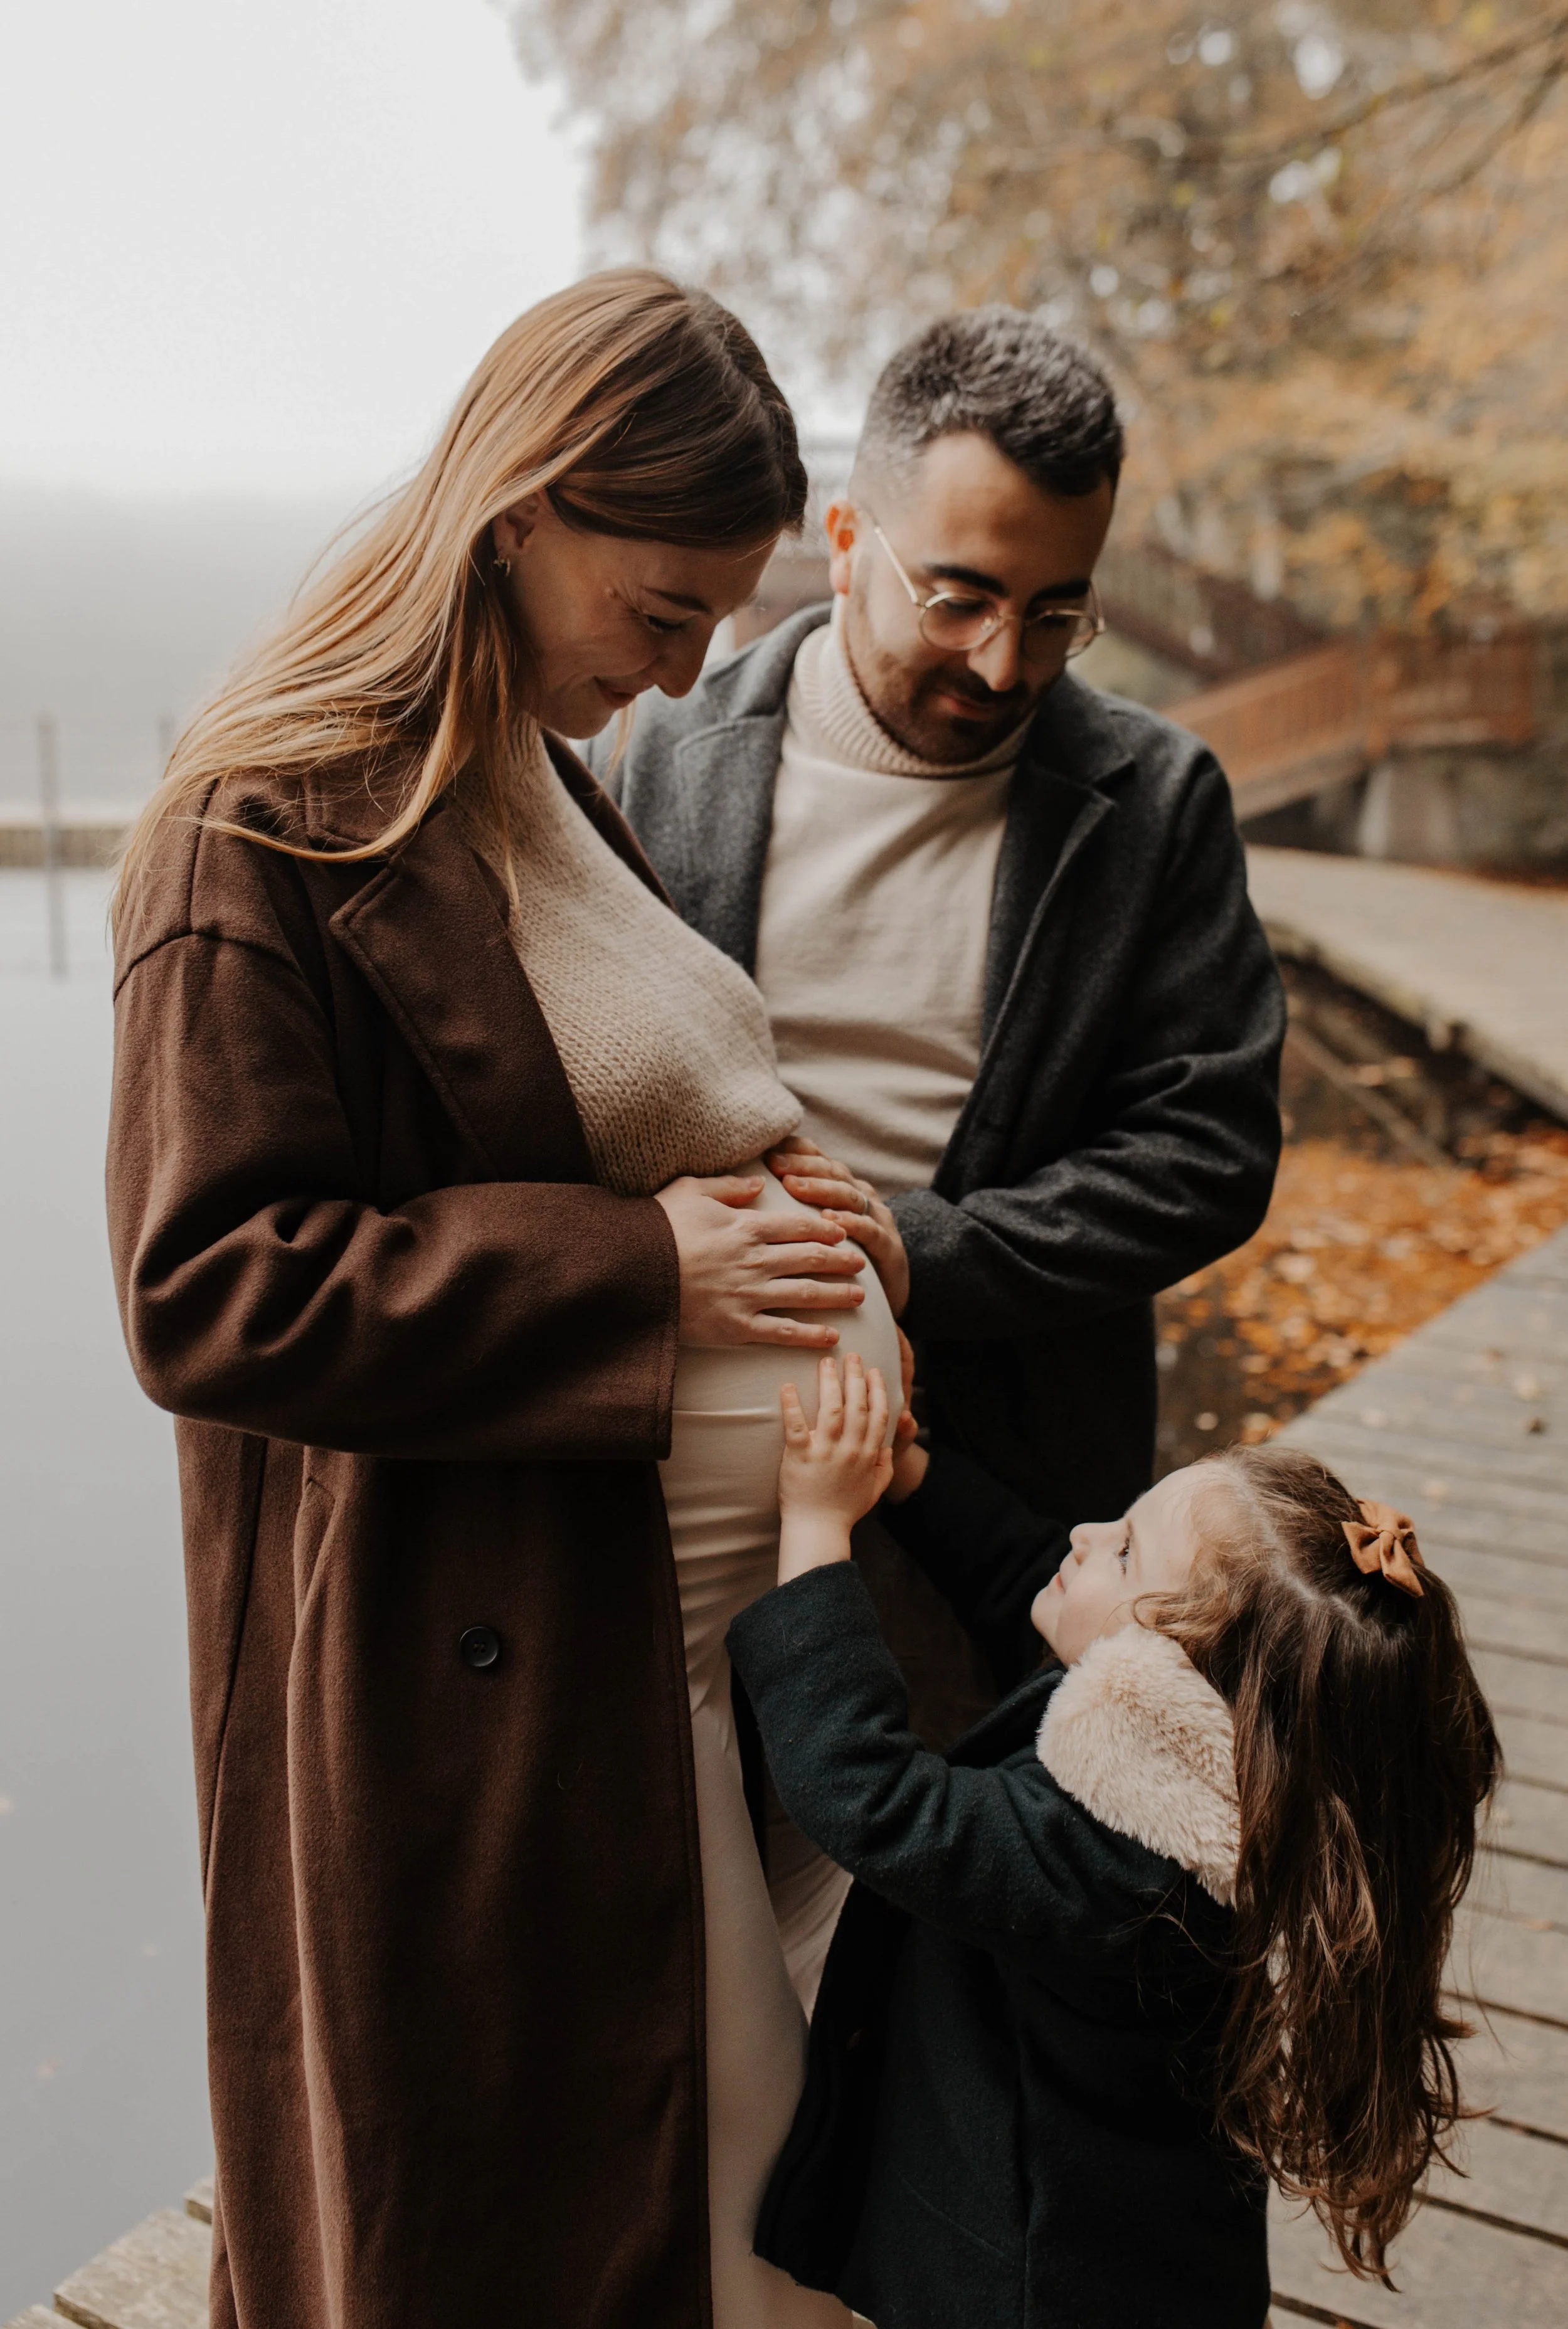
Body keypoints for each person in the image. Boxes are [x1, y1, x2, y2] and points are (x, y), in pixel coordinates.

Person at [106, 270, 902, 2329]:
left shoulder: (539, 769)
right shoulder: (253, 831)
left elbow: (605, 1085)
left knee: (748, 2194)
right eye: (663, 609)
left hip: (685, 1643)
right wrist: (649, 1265)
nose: (687, 667)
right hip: (489, 1656)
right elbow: (211, 1289)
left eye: (724, 618)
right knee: (617, 2217)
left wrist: (772, 1180)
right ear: (525, 508)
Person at [596, 307, 1286, 1731]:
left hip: (1006, 1502)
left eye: (1057, 612)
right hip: (671, 1459)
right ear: (848, 541)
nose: (1003, 664)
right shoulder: (650, 750)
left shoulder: (1157, 803)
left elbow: (1208, 1152)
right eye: (960, 598)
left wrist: (915, 1256)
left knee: (966, 1923)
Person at [726, 1355, 1500, 2329]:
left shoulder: (1112, 1863)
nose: (1085, 1537)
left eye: (1127, 1549)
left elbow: (873, 1799)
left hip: (1044, 2286)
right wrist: (915, 1473)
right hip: (1147, 2249)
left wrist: (814, 1527)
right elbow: (1027, 1574)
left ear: (1168, 1665)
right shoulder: (1201, 1769)